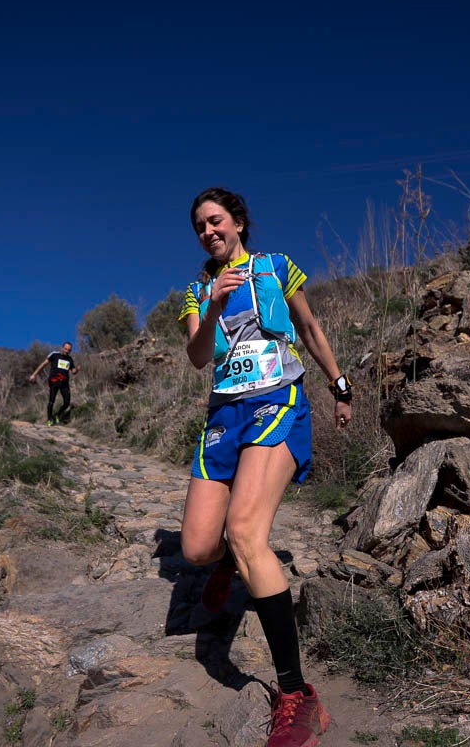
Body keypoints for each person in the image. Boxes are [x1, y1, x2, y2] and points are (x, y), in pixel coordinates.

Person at [178, 187, 352, 747]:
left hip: (278, 397)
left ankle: (299, 696)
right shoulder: (195, 289)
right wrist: (212, 306)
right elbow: (198, 354)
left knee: (247, 530)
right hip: (224, 413)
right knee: (199, 549)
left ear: (239, 223)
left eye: (217, 220)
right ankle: (233, 559)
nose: (209, 231)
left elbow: (309, 328)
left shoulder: (278, 266)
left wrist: (339, 384)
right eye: (200, 225)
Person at [28, 341, 79, 425]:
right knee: (51, 401)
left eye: (69, 350)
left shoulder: (69, 359)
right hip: (54, 381)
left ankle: (58, 415)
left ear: (70, 351)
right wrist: (34, 375)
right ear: (62, 348)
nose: (66, 351)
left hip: (64, 383)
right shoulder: (55, 355)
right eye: (65, 349)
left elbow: (73, 371)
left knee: (67, 402)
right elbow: (43, 364)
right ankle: (49, 419)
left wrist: (77, 369)